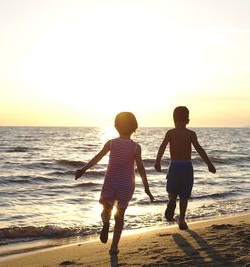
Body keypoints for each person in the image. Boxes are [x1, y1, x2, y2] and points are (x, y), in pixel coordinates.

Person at [75, 112, 154, 255]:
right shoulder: (136, 147)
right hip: (127, 185)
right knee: (120, 216)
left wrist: (83, 169)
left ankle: (105, 224)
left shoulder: (111, 143)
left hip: (111, 182)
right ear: (134, 127)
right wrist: (147, 188)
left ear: (116, 126)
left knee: (107, 208)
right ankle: (113, 247)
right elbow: (141, 168)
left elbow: (97, 158)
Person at [155, 106, 216, 230]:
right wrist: (209, 164)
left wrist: (157, 161)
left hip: (174, 165)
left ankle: (172, 201)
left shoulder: (170, 133)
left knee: (172, 191)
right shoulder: (191, 134)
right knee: (184, 195)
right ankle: (182, 219)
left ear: (173, 119)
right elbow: (199, 149)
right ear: (188, 120)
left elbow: (162, 147)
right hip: (187, 167)